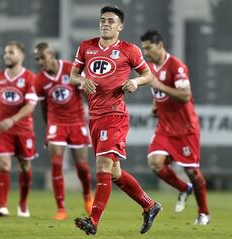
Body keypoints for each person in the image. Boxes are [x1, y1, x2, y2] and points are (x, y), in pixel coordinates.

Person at [70, 5, 162, 236]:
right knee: (114, 173)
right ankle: (149, 205)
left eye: (111, 21)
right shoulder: (86, 47)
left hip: (115, 116)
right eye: (102, 20)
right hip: (95, 117)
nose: (105, 24)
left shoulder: (128, 50)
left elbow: (148, 75)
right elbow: (72, 75)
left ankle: (93, 221)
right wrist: (81, 80)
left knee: (102, 167)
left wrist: (135, 82)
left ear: (120, 27)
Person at [140, 30, 210, 225]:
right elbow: (159, 93)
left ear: (160, 45)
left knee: (193, 173)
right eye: (143, 48)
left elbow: (185, 95)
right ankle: (183, 189)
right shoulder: (151, 67)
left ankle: (204, 212)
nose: (145, 53)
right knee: (155, 163)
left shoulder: (176, 66)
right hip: (165, 126)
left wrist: (159, 85)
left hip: (186, 128)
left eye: (148, 48)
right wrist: (155, 107)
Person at [34, 42, 93, 220]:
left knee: (82, 167)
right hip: (56, 123)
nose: (40, 62)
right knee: (56, 164)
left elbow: (86, 94)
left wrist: (95, 111)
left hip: (76, 122)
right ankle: (61, 208)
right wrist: (48, 128)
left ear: (51, 54)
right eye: (37, 59)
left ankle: (87, 196)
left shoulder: (69, 69)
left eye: (42, 57)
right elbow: (43, 106)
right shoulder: (39, 80)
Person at [0, 41, 37, 218]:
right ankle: (2, 206)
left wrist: (13, 120)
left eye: (11, 52)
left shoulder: (30, 77)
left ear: (21, 56)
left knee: (24, 165)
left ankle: (23, 204)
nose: (7, 55)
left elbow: (30, 106)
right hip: (2, 129)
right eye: (6, 52)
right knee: (3, 163)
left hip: (23, 129)